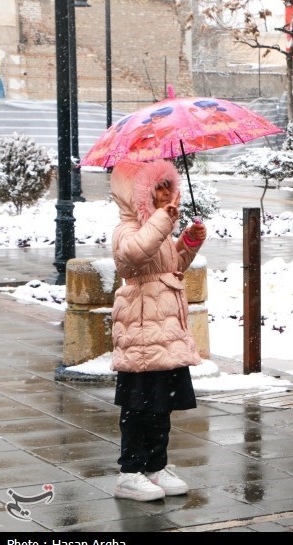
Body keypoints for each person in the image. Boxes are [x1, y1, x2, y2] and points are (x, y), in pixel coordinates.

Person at [109, 159, 208, 502]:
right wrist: (164, 220)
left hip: (165, 326)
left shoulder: (159, 226)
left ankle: (155, 464)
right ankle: (130, 471)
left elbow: (171, 265)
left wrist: (187, 244)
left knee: (162, 404)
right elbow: (134, 255)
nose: (166, 194)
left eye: (169, 186)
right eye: (157, 188)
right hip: (141, 328)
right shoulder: (126, 228)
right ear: (137, 195)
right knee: (139, 402)